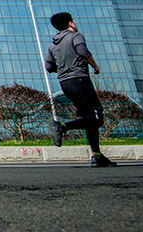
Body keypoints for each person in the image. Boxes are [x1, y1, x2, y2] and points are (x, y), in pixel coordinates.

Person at [45, 12, 116, 167]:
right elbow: (83, 52)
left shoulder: (53, 45)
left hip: (65, 83)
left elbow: (49, 67)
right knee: (96, 118)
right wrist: (95, 66)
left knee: (88, 117)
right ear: (70, 23)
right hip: (80, 80)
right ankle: (62, 126)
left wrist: (64, 70)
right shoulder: (75, 36)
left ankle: (97, 156)